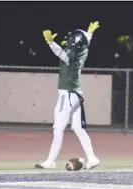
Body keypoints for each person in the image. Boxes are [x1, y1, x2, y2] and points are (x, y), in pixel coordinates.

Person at [35, 21, 100, 170]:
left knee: (58, 128)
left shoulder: (73, 53)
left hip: (68, 95)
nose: (68, 41)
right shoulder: (84, 48)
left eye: (70, 39)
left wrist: (51, 43)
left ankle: (50, 161)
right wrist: (89, 34)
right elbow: (84, 40)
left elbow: (62, 54)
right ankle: (92, 158)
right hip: (76, 94)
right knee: (78, 128)